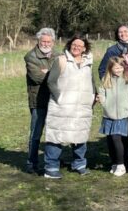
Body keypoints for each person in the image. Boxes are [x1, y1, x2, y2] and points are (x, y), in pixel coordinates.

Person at [42, 35, 99, 179]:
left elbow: (91, 81)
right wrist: (60, 98)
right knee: (56, 136)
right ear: (69, 45)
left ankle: (79, 164)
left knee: (80, 135)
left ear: (84, 48)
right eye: (74, 44)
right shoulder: (61, 60)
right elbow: (51, 81)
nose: (76, 47)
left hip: (82, 106)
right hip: (62, 107)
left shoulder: (88, 62)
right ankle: (51, 167)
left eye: (80, 46)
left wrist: (93, 96)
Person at [98, 56, 128, 177]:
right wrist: (104, 102)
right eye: (116, 67)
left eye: (121, 67)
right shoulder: (106, 80)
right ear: (110, 68)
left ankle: (121, 165)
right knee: (110, 140)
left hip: (121, 115)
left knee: (117, 139)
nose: (118, 70)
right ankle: (114, 163)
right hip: (108, 115)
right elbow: (101, 93)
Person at [24, 27, 55, 174]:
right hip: (38, 101)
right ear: (38, 41)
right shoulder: (31, 57)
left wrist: (47, 73)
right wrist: (53, 74)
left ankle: (53, 160)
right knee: (36, 134)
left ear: (53, 42)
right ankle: (32, 164)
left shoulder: (59, 55)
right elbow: (37, 78)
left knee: (54, 133)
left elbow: (64, 74)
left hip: (55, 100)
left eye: (49, 41)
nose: (46, 43)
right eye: (43, 41)